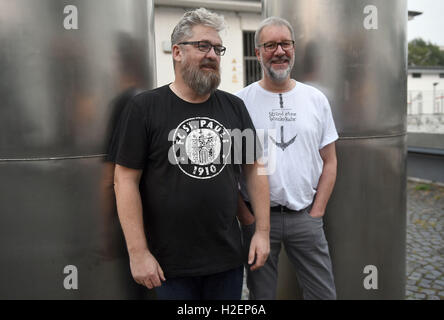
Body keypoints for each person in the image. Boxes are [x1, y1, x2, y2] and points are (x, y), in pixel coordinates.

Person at [110, 8, 270, 300]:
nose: (212, 54)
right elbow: (124, 181)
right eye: (202, 46)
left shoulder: (234, 107)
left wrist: (262, 231)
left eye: (217, 48)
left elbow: (254, 168)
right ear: (176, 52)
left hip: (226, 262)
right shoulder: (145, 108)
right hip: (167, 267)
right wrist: (138, 252)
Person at [236, 17, 338, 300]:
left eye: (285, 44)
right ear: (257, 52)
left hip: (305, 218)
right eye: (270, 45)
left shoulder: (315, 100)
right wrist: (246, 218)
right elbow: (231, 169)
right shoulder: (240, 102)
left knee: (323, 295)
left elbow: (329, 161)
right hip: (257, 220)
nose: (279, 51)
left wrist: (316, 213)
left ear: (294, 48)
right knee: (261, 296)